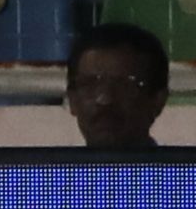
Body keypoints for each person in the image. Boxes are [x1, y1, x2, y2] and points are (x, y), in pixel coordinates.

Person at [66, 22, 169, 150]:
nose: (104, 99)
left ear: (158, 101)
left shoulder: (181, 170)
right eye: (89, 85)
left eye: (123, 85)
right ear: (72, 100)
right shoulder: (54, 169)